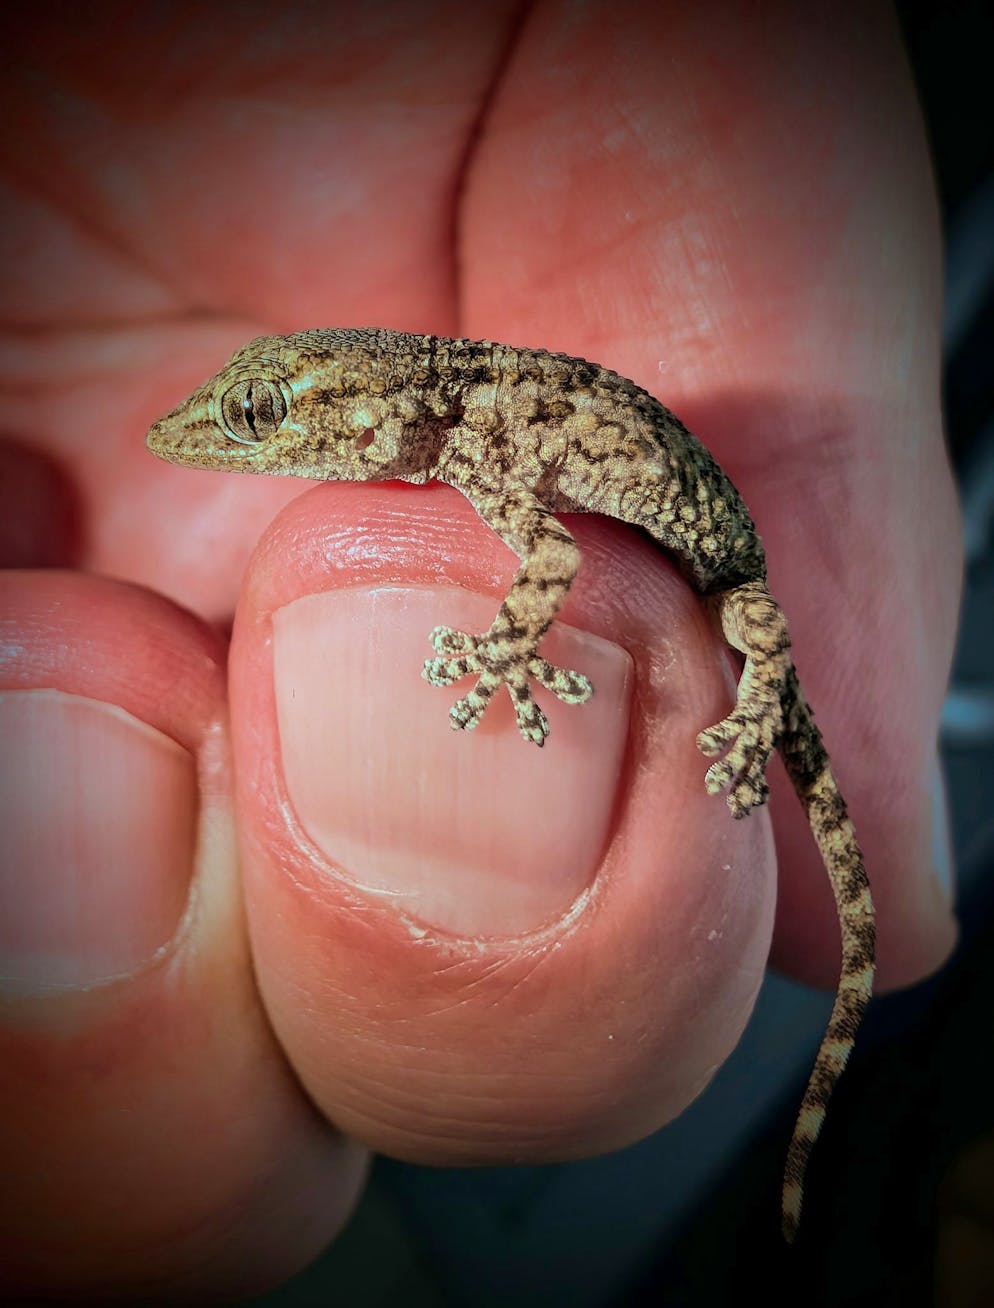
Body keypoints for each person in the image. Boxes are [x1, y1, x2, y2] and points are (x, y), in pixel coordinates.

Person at [0, 3, 960, 1298]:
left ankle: (809, 1105)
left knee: (766, 705)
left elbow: (556, 566)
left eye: (266, 416)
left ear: (374, 410)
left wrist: (613, 685)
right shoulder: (460, 435)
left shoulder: (489, 442)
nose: (239, 434)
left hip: (726, 571)